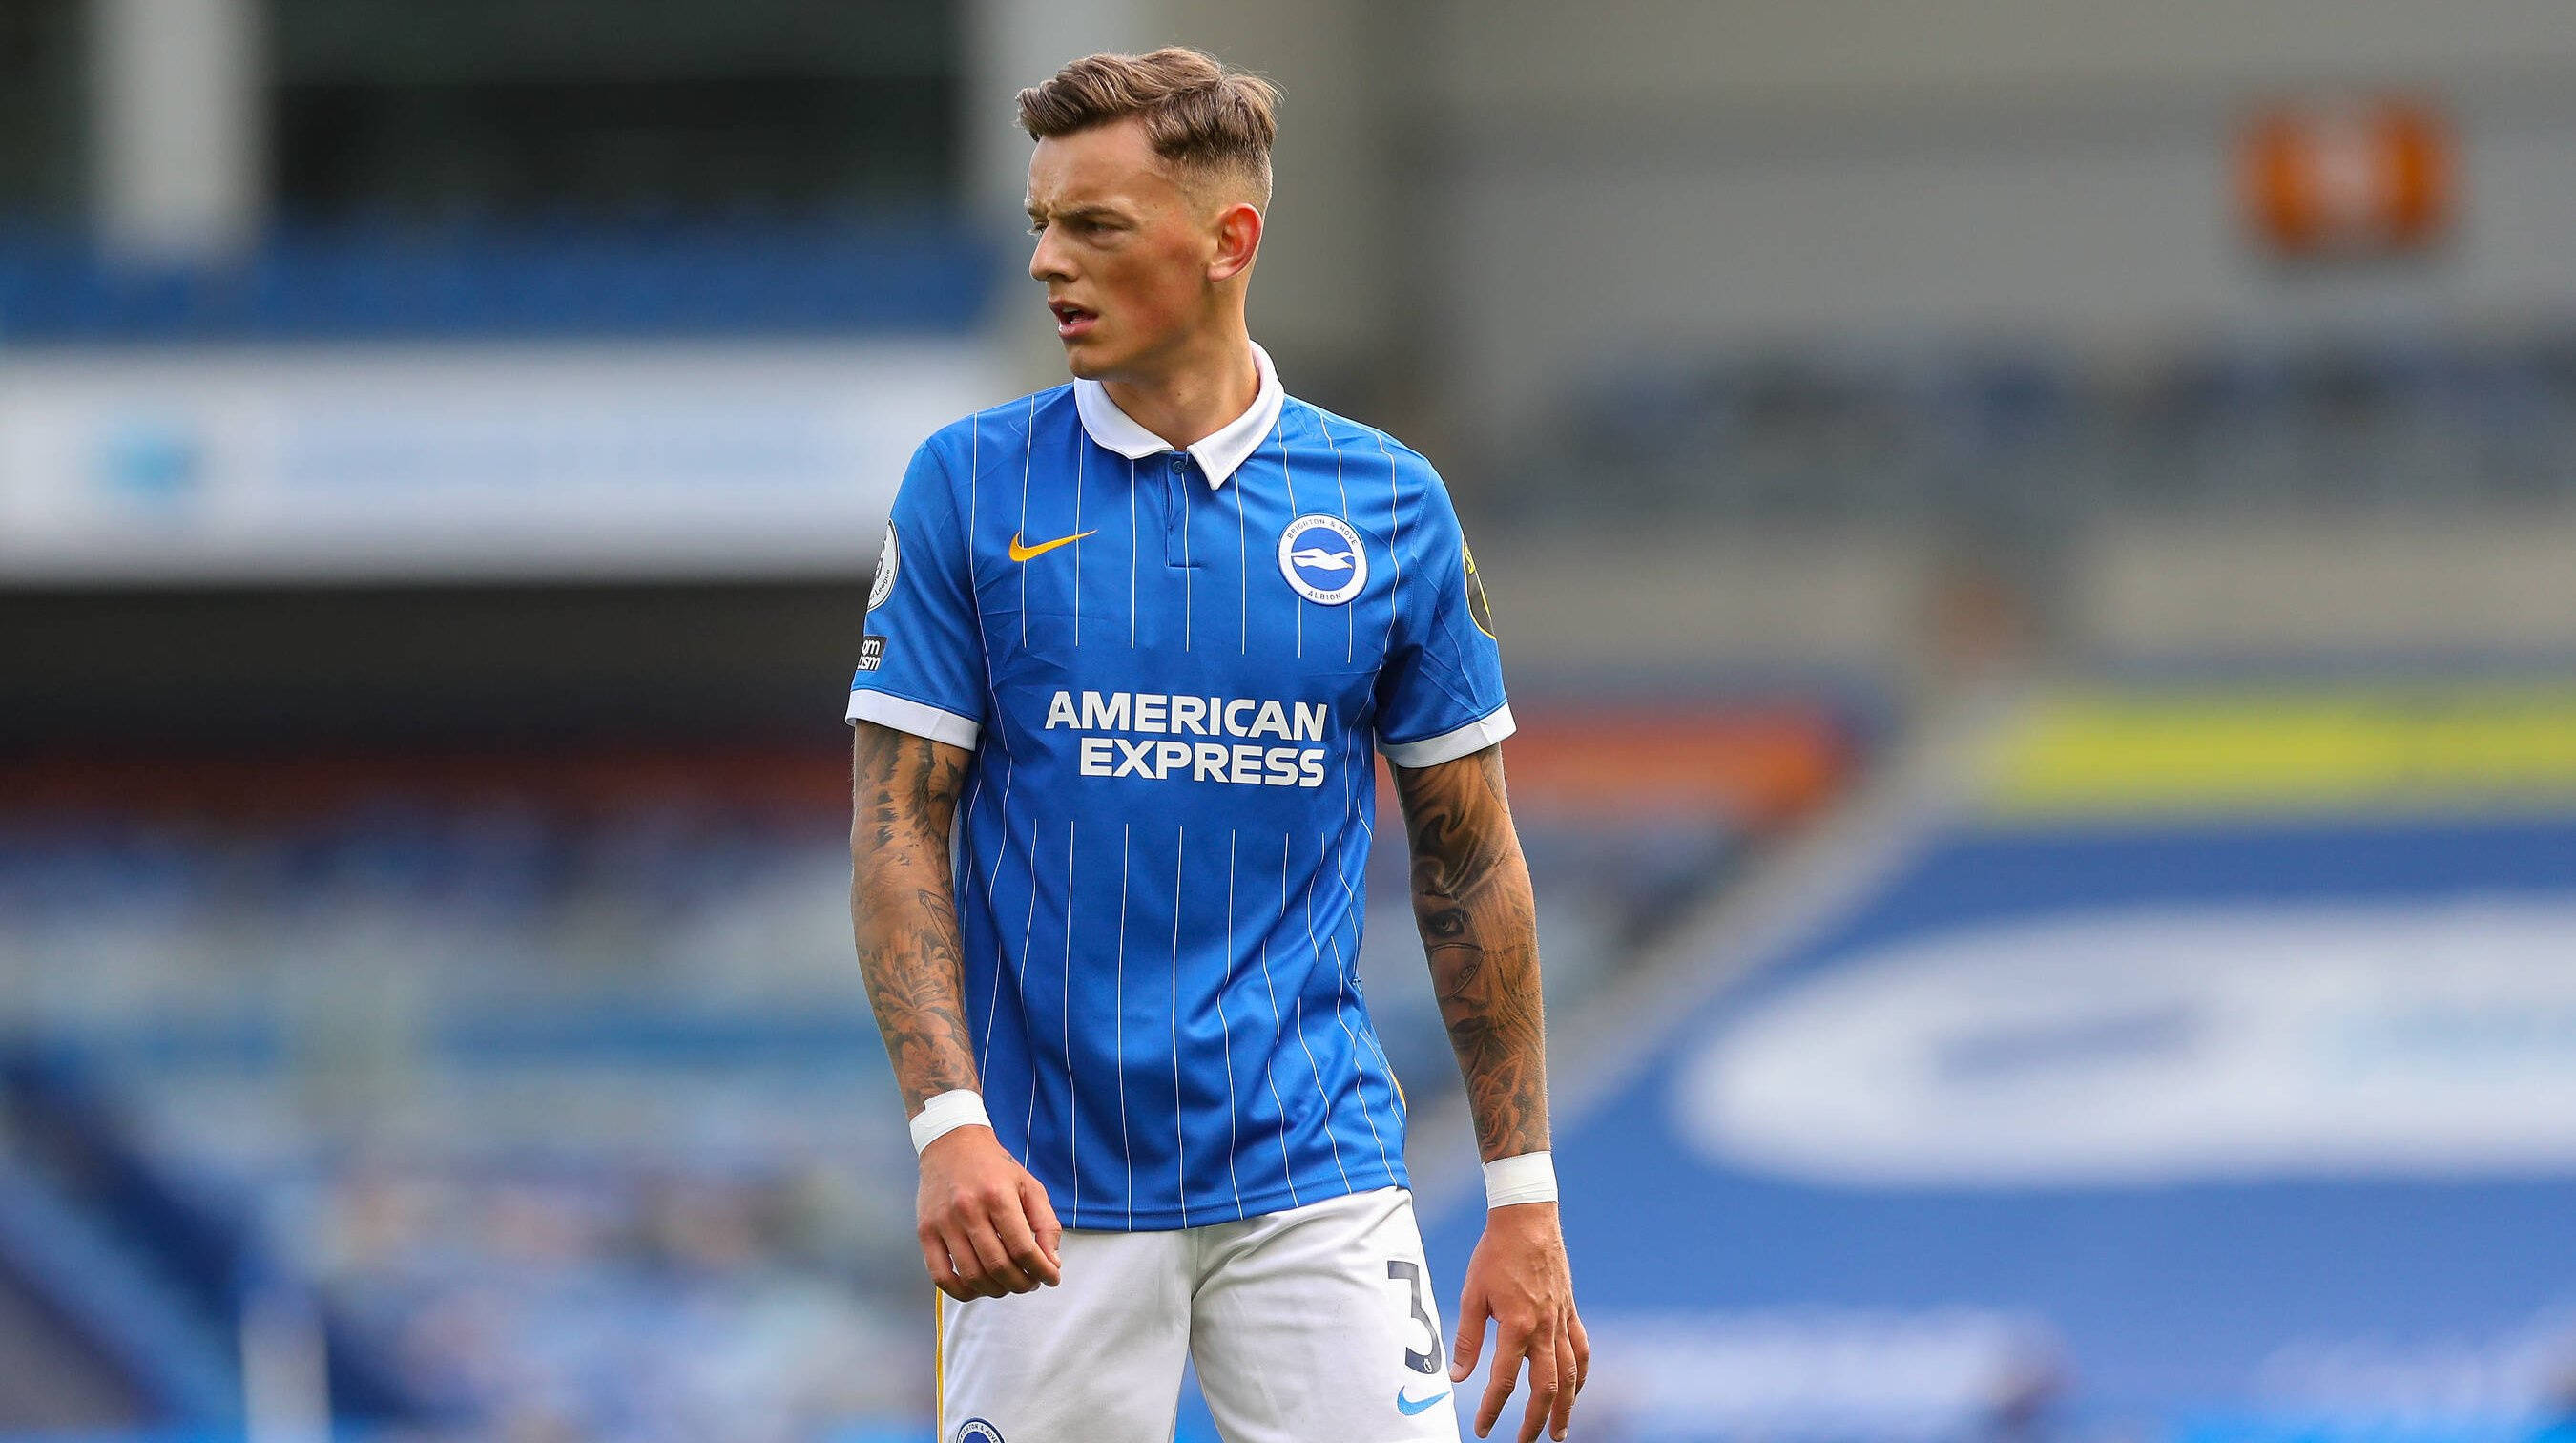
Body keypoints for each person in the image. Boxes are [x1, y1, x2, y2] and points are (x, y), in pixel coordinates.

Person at [845, 46, 1586, 1443]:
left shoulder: (1388, 502)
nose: (1047, 262)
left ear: (1228, 241)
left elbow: (1472, 860)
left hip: (1315, 1171)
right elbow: (896, 832)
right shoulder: (968, 484)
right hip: (1041, 1192)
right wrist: (948, 1128)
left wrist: (1524, 1197)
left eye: (1094, 226)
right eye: (1040, 224)